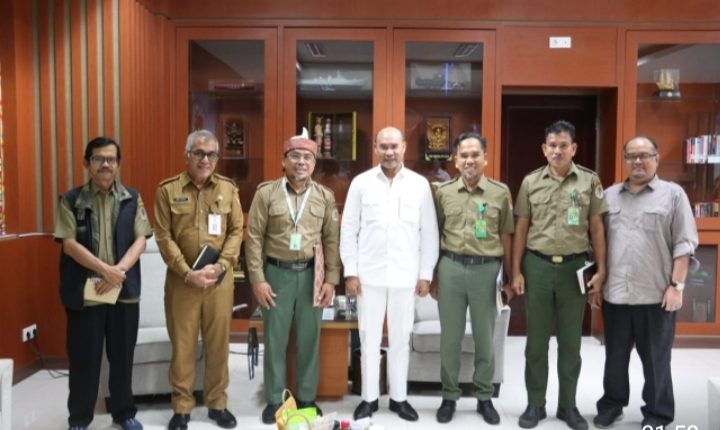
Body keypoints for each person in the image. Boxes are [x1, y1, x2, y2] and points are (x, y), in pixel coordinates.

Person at [593, 136, 698, 429]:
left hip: (656, 296)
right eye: (631, 156)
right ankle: (612, 405)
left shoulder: (673, 195)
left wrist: (677, 286)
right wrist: (597, 283)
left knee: (656, 361)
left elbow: (684, 244)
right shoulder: (609, 196)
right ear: (625, 159)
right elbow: (599, 244)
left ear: (656, 158)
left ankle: (658, 412)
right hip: (616, 295)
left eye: (644, 155)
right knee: (614, 358)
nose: (637, 161)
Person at [511, 120, 607, 430]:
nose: (557, 151)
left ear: (573, 148)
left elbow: (597, 229)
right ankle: (535, 404)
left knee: (570, 344)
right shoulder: (531, 182)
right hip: (537, 267)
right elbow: (521, 228)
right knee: (536, 344)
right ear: (544, 149)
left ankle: (568, 405)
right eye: (552, 145)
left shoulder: (589, 181)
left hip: (573, 269)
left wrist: (602, 270)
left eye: (563, 145)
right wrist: (516, 271)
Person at [340, 126, 439, 422]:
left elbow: (429, 233)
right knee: (369, 340)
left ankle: (399, 398)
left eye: (394, 146)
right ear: (375, 148)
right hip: (368, 277)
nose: (389, 152)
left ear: (404, 147)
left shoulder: (419, 185)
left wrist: (425, 274)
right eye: (383, 146)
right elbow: (348, 230)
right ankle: (369, 399)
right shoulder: (361, 183)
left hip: (405, 277)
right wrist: (350, 272)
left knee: (400, 340)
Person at [55, 137, 153, 430]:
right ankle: (79, 419)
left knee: (122, 359)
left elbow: (141, 238)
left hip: (123, 291)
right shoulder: (71, 200)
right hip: (86, 294)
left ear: (118, 164)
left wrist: (118, 271)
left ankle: (124, 414)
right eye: (99, 159)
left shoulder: (132, 198)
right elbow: (69, 244)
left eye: (111, 159)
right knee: (84, 360)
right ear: (87, 163)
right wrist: (104, 270)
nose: (106, 164)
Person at [245, 128, 341, 424]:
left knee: (310, 339)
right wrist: (258, 279)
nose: (301, 162)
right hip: (276, 274)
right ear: (283, 160)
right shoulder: (266, 193)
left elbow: (331, 240)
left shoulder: (324, 196)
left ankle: (307, 398)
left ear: (314, 163)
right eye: (295, 156)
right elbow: (253, 238)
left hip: (312, 276)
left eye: (307, 158)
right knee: (275, 340)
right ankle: (275, 399)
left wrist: (331, 280)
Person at [154, 130, 243, 430]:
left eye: (211, 154)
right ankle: (182, 408)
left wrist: (221, 265)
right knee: (183, 347)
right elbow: (163, 236)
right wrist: (187, 272)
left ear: (217, 157)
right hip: (182, 283)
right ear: (187, 155)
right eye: (199, 153)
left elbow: (236, 231)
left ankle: (217, 404)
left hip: (219, 282)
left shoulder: (228, 189)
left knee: (218, 345)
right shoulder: (167, 190)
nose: (205, 159)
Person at [433, 132, 513, 425]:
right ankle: (449, 396)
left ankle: (484, 396)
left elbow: (507, 236)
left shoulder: (500, 193)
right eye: (464, 155)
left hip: (486, 270)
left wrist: (511, 276)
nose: (469, 160)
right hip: (451, 268)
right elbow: (435, 235)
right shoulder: (443, 192)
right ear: (455, 160)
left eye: (475, 155)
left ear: (485, 158)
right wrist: (433, 277)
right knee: (450, 339)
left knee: (485, 338)